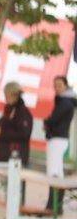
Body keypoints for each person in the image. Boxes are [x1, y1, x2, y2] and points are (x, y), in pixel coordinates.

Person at [42, 75, 74, 211]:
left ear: (66, 86)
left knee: (54, 172)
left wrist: (46, 122)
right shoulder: (64, 101)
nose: (56, 88)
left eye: (59, 85)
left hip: (57, 139)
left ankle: (53, 206)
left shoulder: (65, 102)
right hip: (58, 138)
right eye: (55, 85)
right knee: (57, 171)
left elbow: (53, 119)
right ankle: (56, 206)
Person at [0, 81, 33, 167]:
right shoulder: (8, 110)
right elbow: (4, 127)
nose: (6, 97)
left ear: (14, 94)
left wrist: (2, 133)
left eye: (7, 94)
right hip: (3, 155)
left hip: (14, 157)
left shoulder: (23, 112)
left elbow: (24, 134)